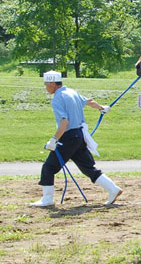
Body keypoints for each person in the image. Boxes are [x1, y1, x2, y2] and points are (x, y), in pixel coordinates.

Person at [31, 70, 122, 207]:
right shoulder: (72, 92)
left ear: (53, 83)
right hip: (79, 136)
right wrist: (102, 108)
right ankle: (113, 189)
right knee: (88, 167)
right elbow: (89, 102)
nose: (46, 87)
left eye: (46, 84)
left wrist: (54, 140)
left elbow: (64, 122)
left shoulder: (57, 98)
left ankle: (47, 199)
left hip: (68, 137)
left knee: (48, 167)